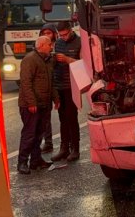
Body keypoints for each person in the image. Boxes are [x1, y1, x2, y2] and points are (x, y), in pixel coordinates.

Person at [17, 35, 59, 174]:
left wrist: (55, 98)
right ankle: (22, 162)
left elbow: (50, 82)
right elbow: (25, 83)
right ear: (41, 46)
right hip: (31, 106)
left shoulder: (47, 60)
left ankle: (36, 160)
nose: (51, 47)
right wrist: (31, 102)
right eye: (49, 45)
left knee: (39, 133)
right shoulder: (30, 60)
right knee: (29, 134)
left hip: (43, 104)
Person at [51, 21, 82, 162]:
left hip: (72, 85)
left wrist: (68, 59)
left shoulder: (80, 42)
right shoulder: (58, 43)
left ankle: (75, 148)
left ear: (70, 30)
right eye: (60, 35)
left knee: (72, 117)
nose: (63, 37)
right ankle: (64, 148)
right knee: (62, 118)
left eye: (65, 34)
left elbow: (84, 64)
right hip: (59, 85)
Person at [39, 23, 57, 154]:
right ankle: (48, 142)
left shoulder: (60, 46)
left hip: (59, 85)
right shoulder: (38, 54)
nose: (47, 36)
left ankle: (66, 145)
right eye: (44, 33)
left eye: (49, 33)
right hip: (46, 89)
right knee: (44, 119)